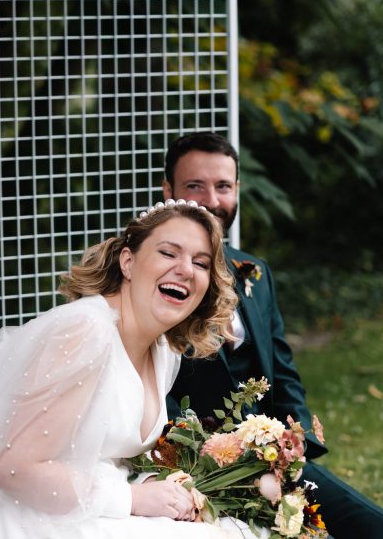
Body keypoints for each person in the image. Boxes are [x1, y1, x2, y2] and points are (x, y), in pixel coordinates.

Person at [0, 200, 252, 538]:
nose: (185, 269)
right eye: (169, 253)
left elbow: (100, 455)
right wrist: (132, 497)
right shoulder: (85, 332)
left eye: (200, 263)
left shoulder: (162, 350)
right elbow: (11, 470)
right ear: (128, 262)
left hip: (83, 509)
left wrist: (156, 485)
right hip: (21, 519)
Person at [163, 132, 383, 538]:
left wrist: (295, 442)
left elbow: (282, 372)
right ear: (168, 191)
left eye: (223, 186)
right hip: (201, 469)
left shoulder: (256, 273)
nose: (211, 200)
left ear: (237, 191)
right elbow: (154, 395)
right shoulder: (157, 279)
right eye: (195, 186)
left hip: (277, 458)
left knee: (370, 525)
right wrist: (213, 457)